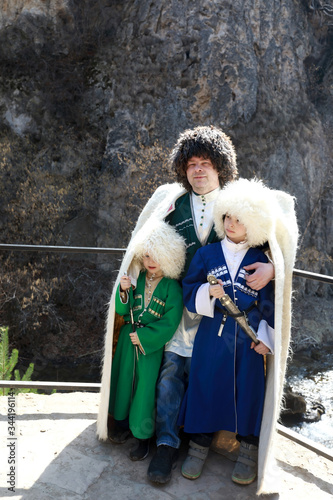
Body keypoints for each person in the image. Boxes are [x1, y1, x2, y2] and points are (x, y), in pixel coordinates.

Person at [97, 126, 277, 492]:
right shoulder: (170, 202)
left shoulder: (239, 203)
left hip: (224, 320)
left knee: (218, 378)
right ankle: (166, 444)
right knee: (169, 378)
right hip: (178, 309)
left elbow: (274, 241)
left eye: (206, 163)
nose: (198, 170)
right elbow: (144, 242)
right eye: (191, 163)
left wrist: (274, 267)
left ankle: (209, 441)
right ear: (183, 168)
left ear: (221, 167)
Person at [178, 178, 277, 486]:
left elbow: (270, 302)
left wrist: (266, 336)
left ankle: (248, 450)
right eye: (228, 217)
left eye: (240, 219)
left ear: (254, 224)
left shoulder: (262, 261)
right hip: (212, 331)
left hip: (247, 336)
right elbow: (188, 289)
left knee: (249, 389)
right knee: (205, 384)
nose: (232, 223)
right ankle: (198, 446)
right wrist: (207, 291)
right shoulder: (206, 254)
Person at [108, 219, 185, 461]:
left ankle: (143, 438)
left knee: (144, 390)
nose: (151, 261)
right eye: (148, 255)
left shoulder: (172, 288)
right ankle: (120, 424)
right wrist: (123, 291)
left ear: (170, 258)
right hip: (127, 345)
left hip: (149, 347)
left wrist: (143, 336)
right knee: (123, 382)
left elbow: (170, 322)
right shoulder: (138, 279)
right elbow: (123, 310)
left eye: (158, 256)